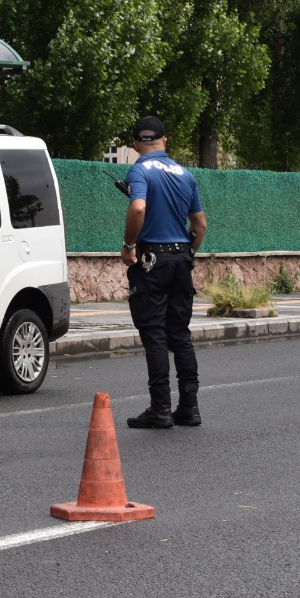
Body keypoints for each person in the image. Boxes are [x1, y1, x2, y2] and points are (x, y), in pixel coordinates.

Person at [121, 116, 207, 429]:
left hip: (152, 261)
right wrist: (188, 253)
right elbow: (200, 226)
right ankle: (189, 406)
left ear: (135, 145)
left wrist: (128, 244)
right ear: (165, 141)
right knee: (180, 335)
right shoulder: (185, 174)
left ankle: (160, 408)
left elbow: (139, 208)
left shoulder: (140, 169)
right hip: (181, 259)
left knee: (154, 334)